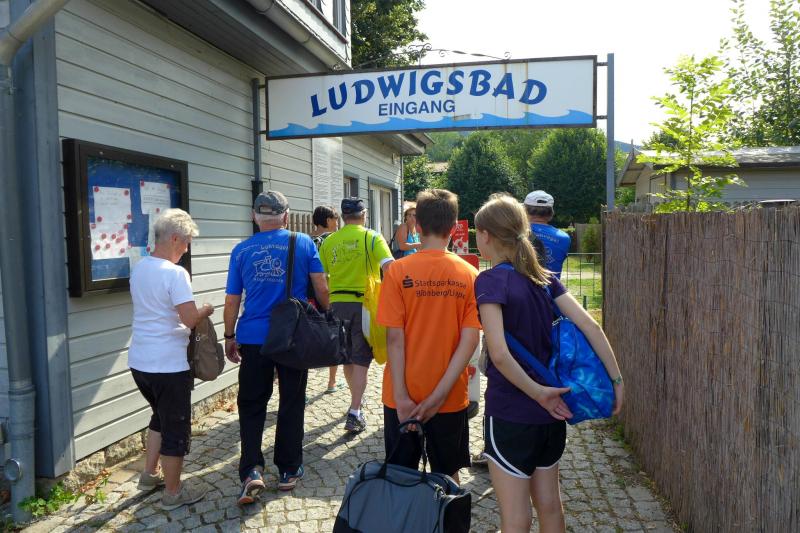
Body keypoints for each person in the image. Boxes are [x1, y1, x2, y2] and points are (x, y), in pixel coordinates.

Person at [473, 194, 624, 533]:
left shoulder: (489, 281)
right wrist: (617, 381)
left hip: (512, 412)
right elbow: (591, 326)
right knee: (551, 506)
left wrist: (538, 393)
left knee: (515, 518)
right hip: (553, 413)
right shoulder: (544, 279)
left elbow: (499, 354)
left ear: (485, 235)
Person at [223, 191, 330, 504]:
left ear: (255, 217)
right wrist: (327, 315)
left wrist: (229, 336)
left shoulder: (241, 250)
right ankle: (288, 469)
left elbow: (232, 300)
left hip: (253, 338)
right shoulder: (303, 242)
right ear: (286, 216)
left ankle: (251, 470)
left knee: (252, 404)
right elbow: (321, 286)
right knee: (292, 401)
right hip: (292, 336)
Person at [377, 189, 481, 480]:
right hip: (449, 396)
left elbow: (394, 339)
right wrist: (438, 397)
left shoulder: (397, 271)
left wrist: (402, 397)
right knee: (448, 475)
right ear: (454, 227)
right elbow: (470, 341)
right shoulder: (470, 275)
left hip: (402, 396)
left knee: (400, 476)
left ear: (418, 225)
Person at [128, 208, 212, 510]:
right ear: (175, 238)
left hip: (140, 362)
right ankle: (173, 493)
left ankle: (149, 475)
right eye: (187, 242)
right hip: (168, 365)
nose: (187, 249)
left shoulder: (140, 268)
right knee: (176, 427)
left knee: (159, 417)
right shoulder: (175, 274)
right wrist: (206, 310)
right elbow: (189, 319)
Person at [319, 197, 393, 434]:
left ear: (342, 217)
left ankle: (355, 402)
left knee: (348, 357)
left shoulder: (329, 241)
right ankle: (354, 411)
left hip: (337, 305)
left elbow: (321, 277)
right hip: (364, 304)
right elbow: (390, 268)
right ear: (364, 215)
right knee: (360, 357)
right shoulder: (372, 237)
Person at [310, 205, 341, 394]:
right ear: (328, 220)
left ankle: (304, 388)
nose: (337, 224)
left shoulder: (306, 240)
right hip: (329, 292)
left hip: (308, 295)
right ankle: (331, 382)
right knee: (333, 337)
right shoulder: (332, 240)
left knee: (306, 338)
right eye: (336, 219)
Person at [523, 190, 571, 278]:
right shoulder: (564, 238)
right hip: (551, 286)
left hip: (521, 286)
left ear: (525, 210)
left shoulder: (516, 232)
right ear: (551, 212)